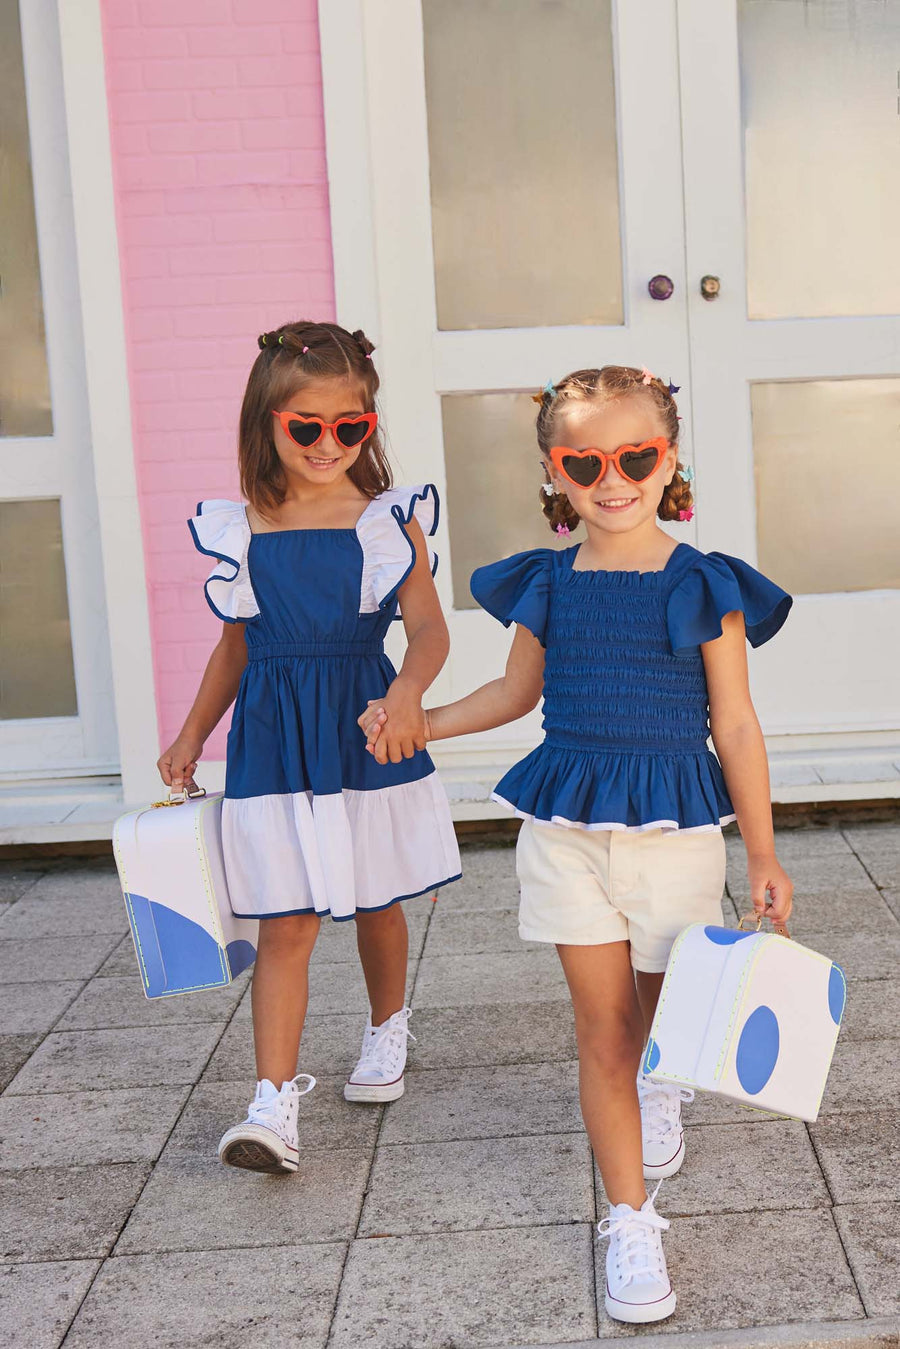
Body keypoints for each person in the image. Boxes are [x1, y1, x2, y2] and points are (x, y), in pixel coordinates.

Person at [361, 364, 793, 1324]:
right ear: (554, 470)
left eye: (635, 455)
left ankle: (661, 1083)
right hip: (565, 834)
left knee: (658, 1019)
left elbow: (737, 724)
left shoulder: (704, 583)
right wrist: (420, 721)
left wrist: (761, 853)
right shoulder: (549, 582)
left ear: (668, 458)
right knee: (602, 1032)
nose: (613, 477)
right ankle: (630, 1218)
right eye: (585, 459)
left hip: (676, 835)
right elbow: (515, 696)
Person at [158, 320, 460, 1176]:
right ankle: (272, 1101)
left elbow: (430, 632)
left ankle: (386, 1026)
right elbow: (236, 645)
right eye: (307, 427)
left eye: (349, 428)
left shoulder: (385, 523)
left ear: (368, 426)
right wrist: (189, 735)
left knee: (375, 895)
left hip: (362, 722)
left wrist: (406, 691)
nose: (328, 445)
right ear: (267, 423)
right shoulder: (242, 526)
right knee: (282, 916)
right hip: (274, 735)